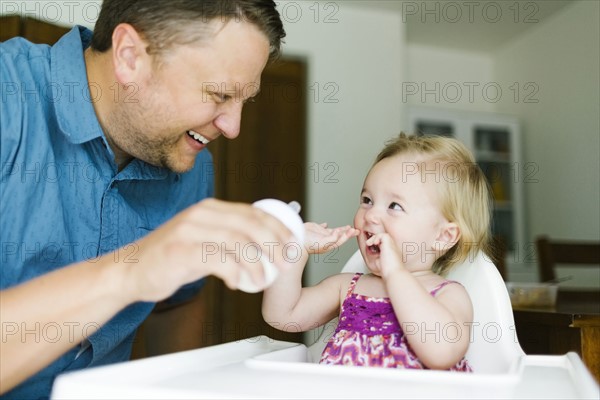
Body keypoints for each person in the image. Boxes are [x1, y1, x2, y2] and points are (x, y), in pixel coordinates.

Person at [0, 1, 324, 398]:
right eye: (219, 93)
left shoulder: (187, 159)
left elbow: (177, 303)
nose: (233, 127)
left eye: (245, 100)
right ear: (130, 56)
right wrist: (132, 271)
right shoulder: (7, 100)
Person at [263, 133, 493, 371]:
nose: (370, 215)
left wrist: (395, 273)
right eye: (367, 200)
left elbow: (441, 353)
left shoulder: (448, 295)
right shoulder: (346, 287)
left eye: (394, 206)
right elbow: (282, 315)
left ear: (443, 236)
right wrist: (294, 248)